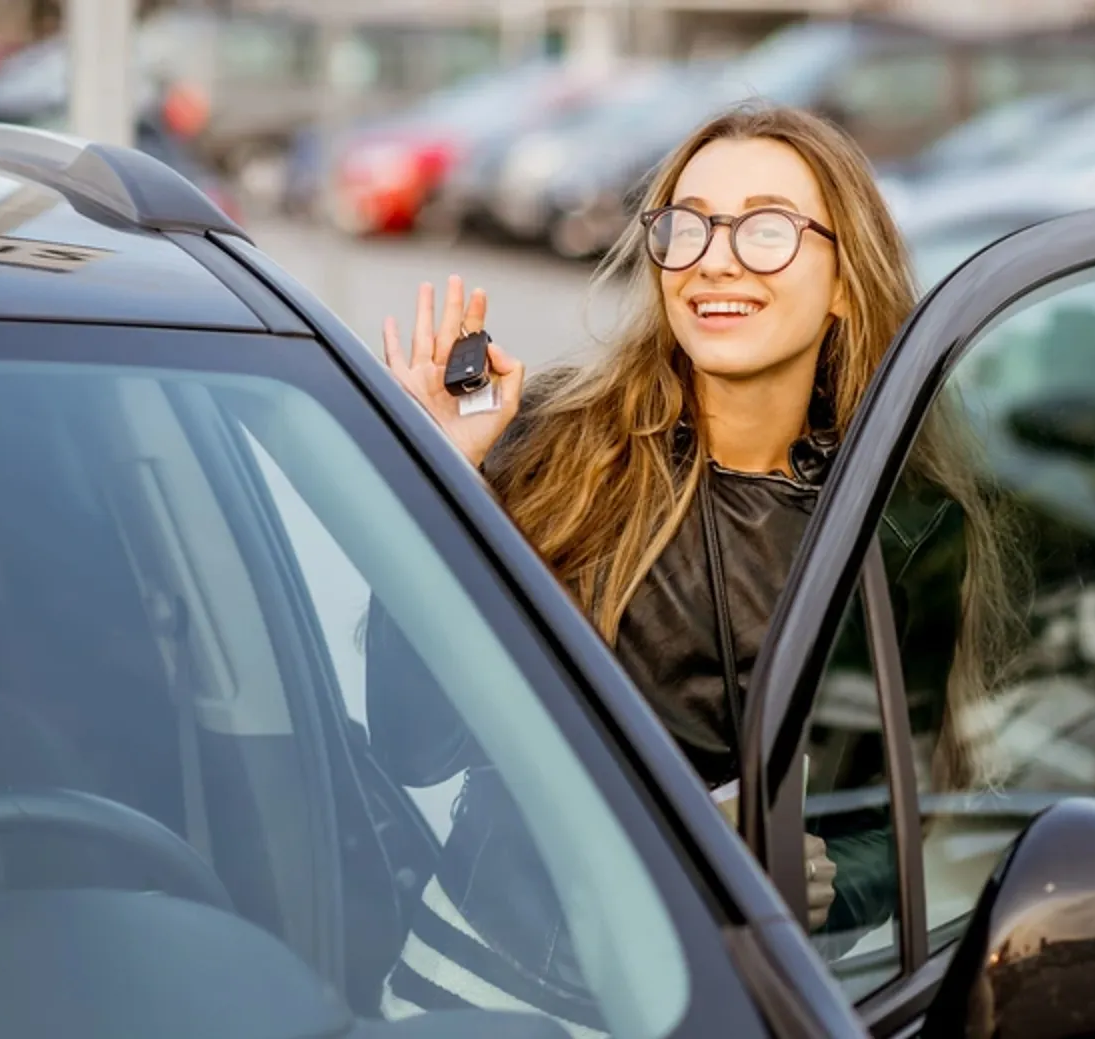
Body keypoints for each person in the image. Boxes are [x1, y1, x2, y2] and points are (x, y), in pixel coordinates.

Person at [365, 102, 1016, 1035]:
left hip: (713, 1004)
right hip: (473, 983)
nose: (714, 258)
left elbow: (898, 823)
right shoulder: (548, 447)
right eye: (688, 225)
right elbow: (409, 742)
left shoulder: (903, 527)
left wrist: (825, 881)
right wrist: (445, 482)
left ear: (843, 278)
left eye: (764, 229)